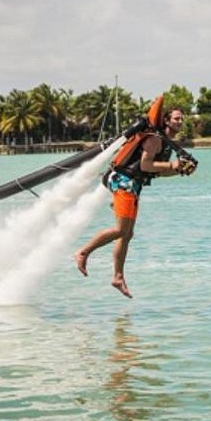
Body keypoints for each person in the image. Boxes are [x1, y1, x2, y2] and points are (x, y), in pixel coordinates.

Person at [74, 106, 196, 298]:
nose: (180, 122)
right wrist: (173, 165)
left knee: (127, 234)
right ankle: (83, 252)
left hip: (133, 185)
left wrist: (179, 170)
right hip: (124, 182)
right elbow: (145, 164)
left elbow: (154, 171)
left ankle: (118, 277)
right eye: (176, 119)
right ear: (166, 121)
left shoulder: (165, 142)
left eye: (182, 119)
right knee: (121, 230)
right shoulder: (155, 139)